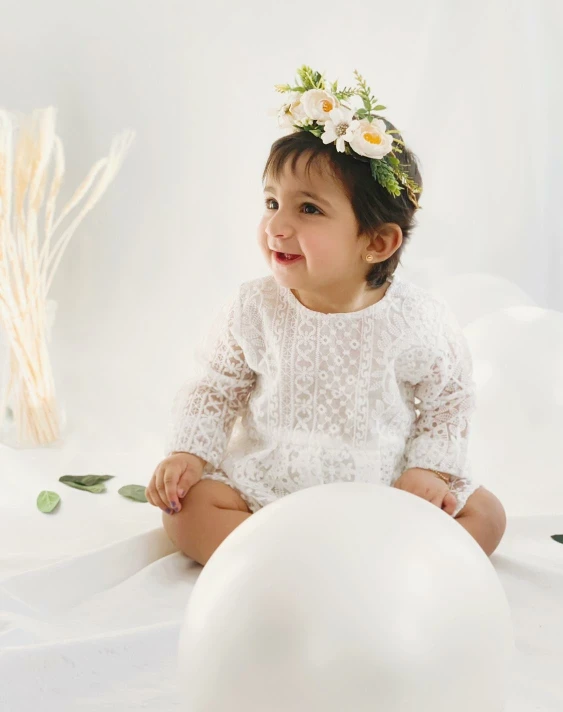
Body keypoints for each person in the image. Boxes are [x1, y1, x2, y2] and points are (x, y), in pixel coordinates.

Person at [146, 65, 507, 564]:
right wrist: (189, 452)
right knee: (187, 512)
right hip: (269, 485)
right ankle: (298, 562)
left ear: (377, 242)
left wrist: (430, 470)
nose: (276, 225)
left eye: (308, 209)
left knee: (487, 514)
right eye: (271, 202)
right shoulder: (254, 308)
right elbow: (215, 388)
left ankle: (357, 560)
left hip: (382, 488)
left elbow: (449, 401)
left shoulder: (418, 319)